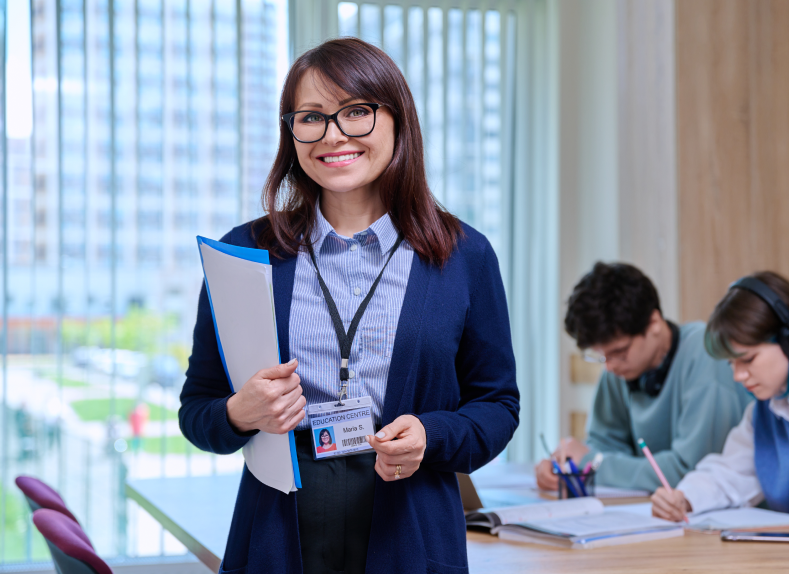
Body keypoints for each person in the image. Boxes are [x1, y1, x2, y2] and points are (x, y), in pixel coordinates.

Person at [179, 37, 519, 574]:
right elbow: (197, 411)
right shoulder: (245, 253)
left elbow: (497, 406)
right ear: (291, 133)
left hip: (411, 527)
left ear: (397, 119)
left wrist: (432, 436)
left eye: (356, 112)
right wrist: (239, 413)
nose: (333, 134)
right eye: (310, 117)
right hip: (277, 529)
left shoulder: (464, 255)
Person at [652, 272, 789, 536]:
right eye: (731, 363)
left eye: (747, 360)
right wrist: (684, 498)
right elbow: (731, 472)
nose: (738, 376)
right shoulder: (769, 405)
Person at [536, 262, 750, 491]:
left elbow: (691, 473)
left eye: (619, 352)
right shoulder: (618, 368)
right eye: (601, 355)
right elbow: (603, 445)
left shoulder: (705, 354)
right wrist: (569, 465)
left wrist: (592, 464)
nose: (609, 366)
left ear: (654, 323)